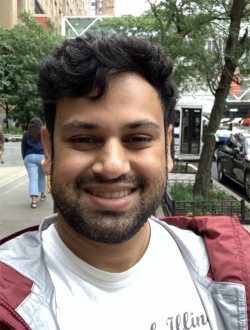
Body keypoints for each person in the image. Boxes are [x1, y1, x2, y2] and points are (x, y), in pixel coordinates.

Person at [0, 34, 250, 330]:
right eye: (83, 139)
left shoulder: (235, 267)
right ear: (50, 149)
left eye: (138, 139)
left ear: (167, 147)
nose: (112, 166)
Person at [21, 117, 46, 208]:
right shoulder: (43, 134)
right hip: (42, 157)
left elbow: (23, 148)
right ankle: (42, 194)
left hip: (30, 157)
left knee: (33, 179)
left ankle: (34, 201)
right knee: (42, 177)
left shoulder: (26, 135)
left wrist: (25, 158)